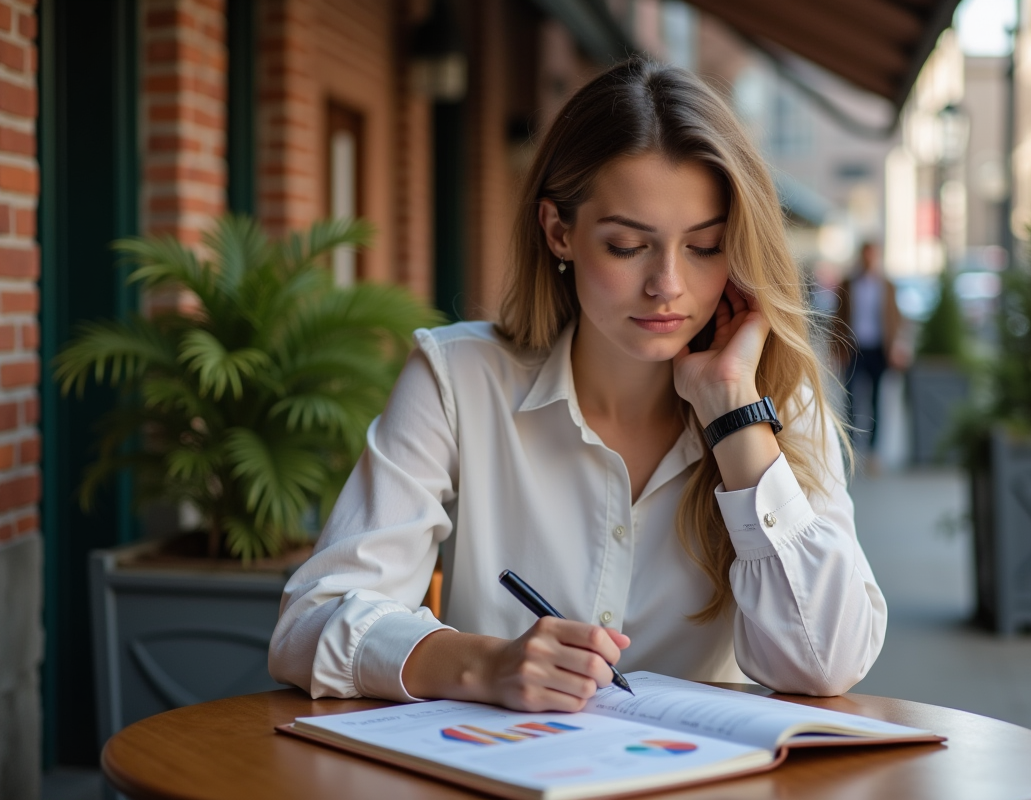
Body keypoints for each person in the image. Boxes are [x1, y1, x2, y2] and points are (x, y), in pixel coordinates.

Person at [269, 59, 886, 713]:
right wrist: (484, 664)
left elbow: (827, 663)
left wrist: (732, 413)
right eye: (627, 245)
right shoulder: (459, 379)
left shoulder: (775, 402)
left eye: (704, 247)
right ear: (559, 231)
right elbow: (311, 621)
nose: (668, 286)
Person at [832, 243, 904, 456]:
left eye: (873, 256)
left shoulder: (887, 286)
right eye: (866, 255)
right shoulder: (848, 283)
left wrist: (896, 347)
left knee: (876, 400)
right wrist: (836, 350)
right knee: (851, 398)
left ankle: (873, 450)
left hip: (878, 349)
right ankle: (851, 447)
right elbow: (838, 318)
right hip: (854, 348)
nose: (869, 260)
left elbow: (895, 319)